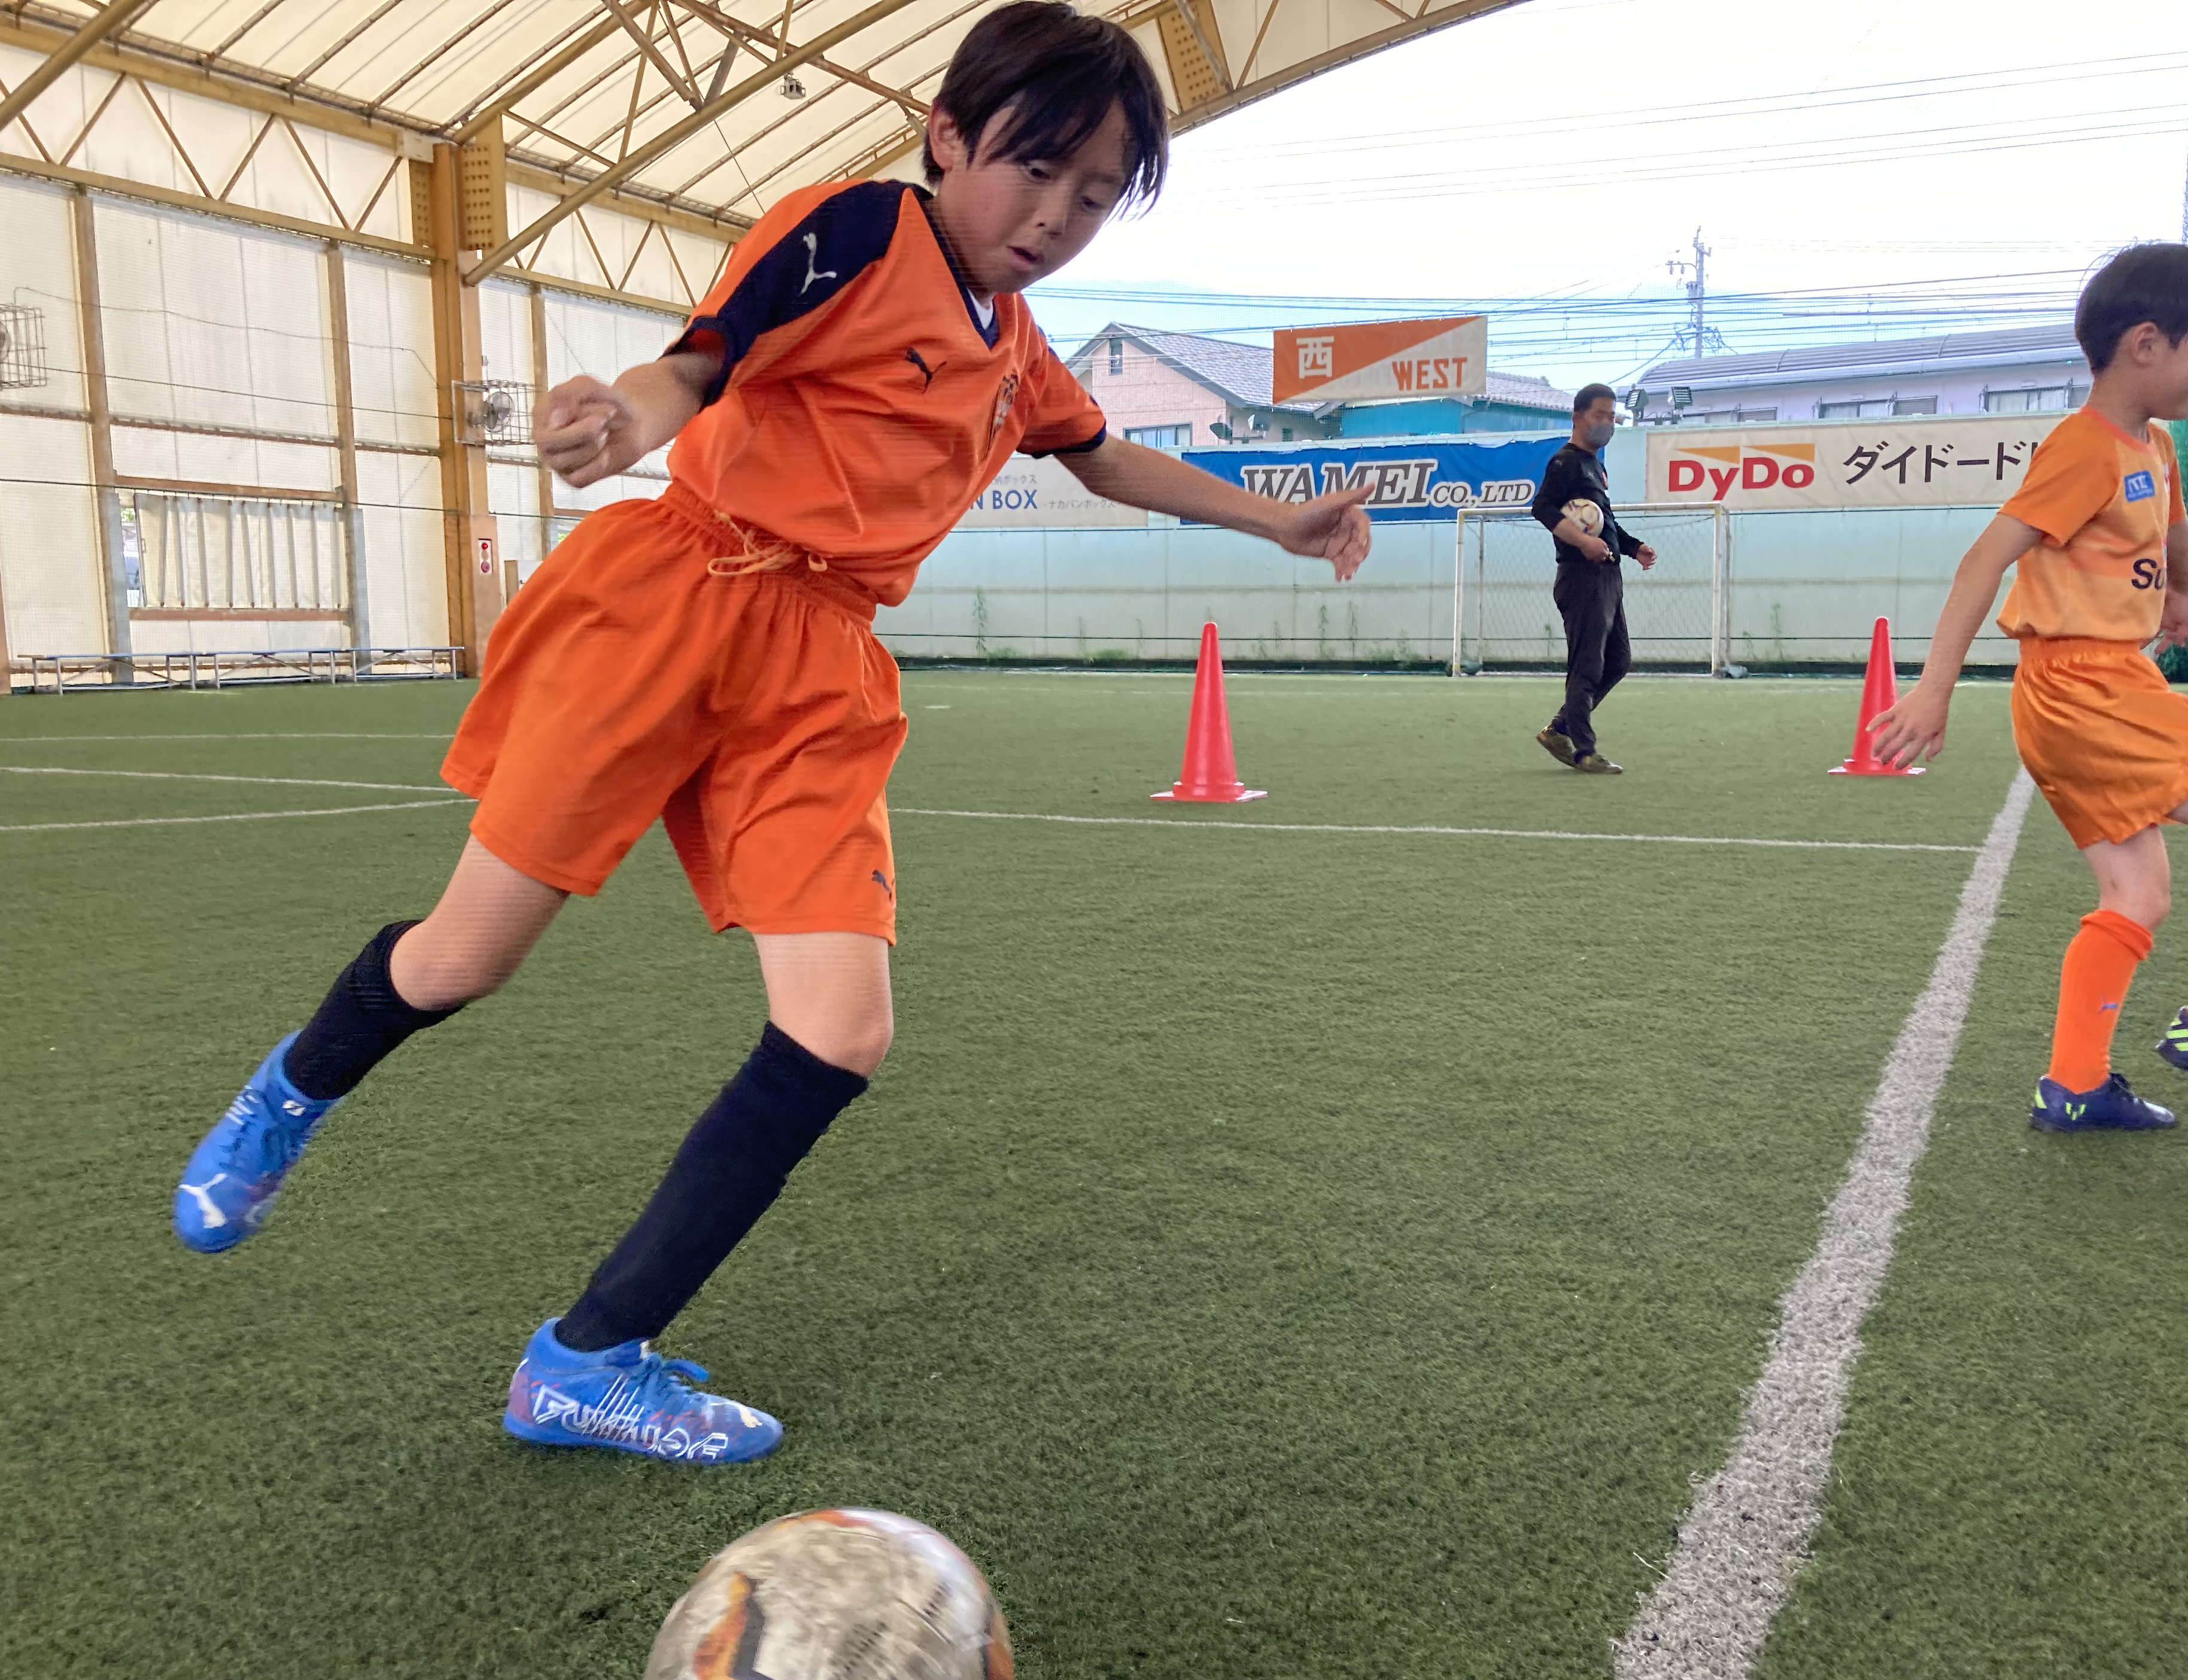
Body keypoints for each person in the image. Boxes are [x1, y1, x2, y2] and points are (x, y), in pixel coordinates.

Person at [170, 1, 1373, 1465]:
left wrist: (1275, 519)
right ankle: (293, 1090)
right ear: (947, 136)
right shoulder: (858, 230)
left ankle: (585, 1363)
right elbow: (701, 362)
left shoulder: (1017, 346)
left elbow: (1101, 455)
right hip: (673, 603)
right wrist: (626, 421)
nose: (1054, 217)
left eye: (1094, 193)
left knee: (842, 1029)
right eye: (1033, 168)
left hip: (820, 668)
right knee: (465, 957)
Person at [1869, 242, 2188, 1132]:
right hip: (2087, 690)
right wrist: (1934, 689)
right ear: (2147, 343)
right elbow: (1983, 562)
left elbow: (2171, 528)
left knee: (2137, 897)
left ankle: (2075, 1086)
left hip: (2093, 689)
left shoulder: (2152, 443)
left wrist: (2181, 591)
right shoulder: (2084, 449)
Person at [1531, 384, 1656, 774]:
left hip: (1608, 576)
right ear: (1577, 417)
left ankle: (1559, 729)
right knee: (1587, 664)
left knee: (1618, 660)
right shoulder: (1565, 463)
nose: (1607, 423)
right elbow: (1542, 508)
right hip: (1581, 577)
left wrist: (1633, 548)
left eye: (1611, 417)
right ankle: (1584, 751)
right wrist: (1584, 543)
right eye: (1599, 415)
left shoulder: (1596, 466)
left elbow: (1607, 522)